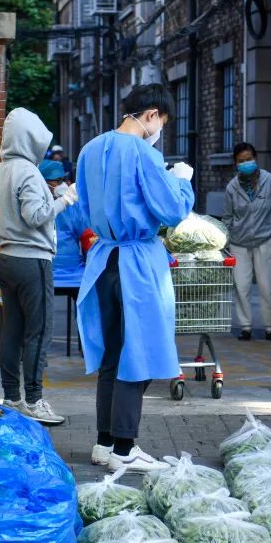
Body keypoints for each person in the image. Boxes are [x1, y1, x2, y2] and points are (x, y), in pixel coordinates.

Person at [75, 84, 194, 472]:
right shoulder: (145, 153)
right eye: (162, 122)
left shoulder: (91, 149)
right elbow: (172, 210)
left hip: (104, 258)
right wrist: (182, 181)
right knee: (137, 353)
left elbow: (85, 208)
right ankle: (125, 447)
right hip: (138, 263)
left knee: (112, 353)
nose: (160, 129)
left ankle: (105, 442)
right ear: (151, 114)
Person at [0, 108, 77, 426]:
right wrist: (65, 199)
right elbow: (36, 216)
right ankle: (35, 400)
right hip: (32, 261)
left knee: (12, 332)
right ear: (30, 139)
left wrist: (50, 195)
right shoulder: (27, 171)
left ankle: (12, 398)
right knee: (38, 333)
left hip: (6, 259)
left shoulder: (3, 169)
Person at [222, 142, 271, 342]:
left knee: (267, 286)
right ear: (236, 163)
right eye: (241, 161)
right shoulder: (232, 187)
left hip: (265, 239)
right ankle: (245, 327)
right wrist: (224, 242)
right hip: (238, 242)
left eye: (249, 159)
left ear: (256, 158)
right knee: (241, 286)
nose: (246, 163)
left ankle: (270, 327)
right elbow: (227, 217)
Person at [41, 159, 90, 289]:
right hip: (48, 268)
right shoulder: (36, 207)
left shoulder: (71, 206)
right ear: (42, 182)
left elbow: (86, 233)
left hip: (70, 268)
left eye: (63, 180)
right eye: (57, 181)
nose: (62, 185)